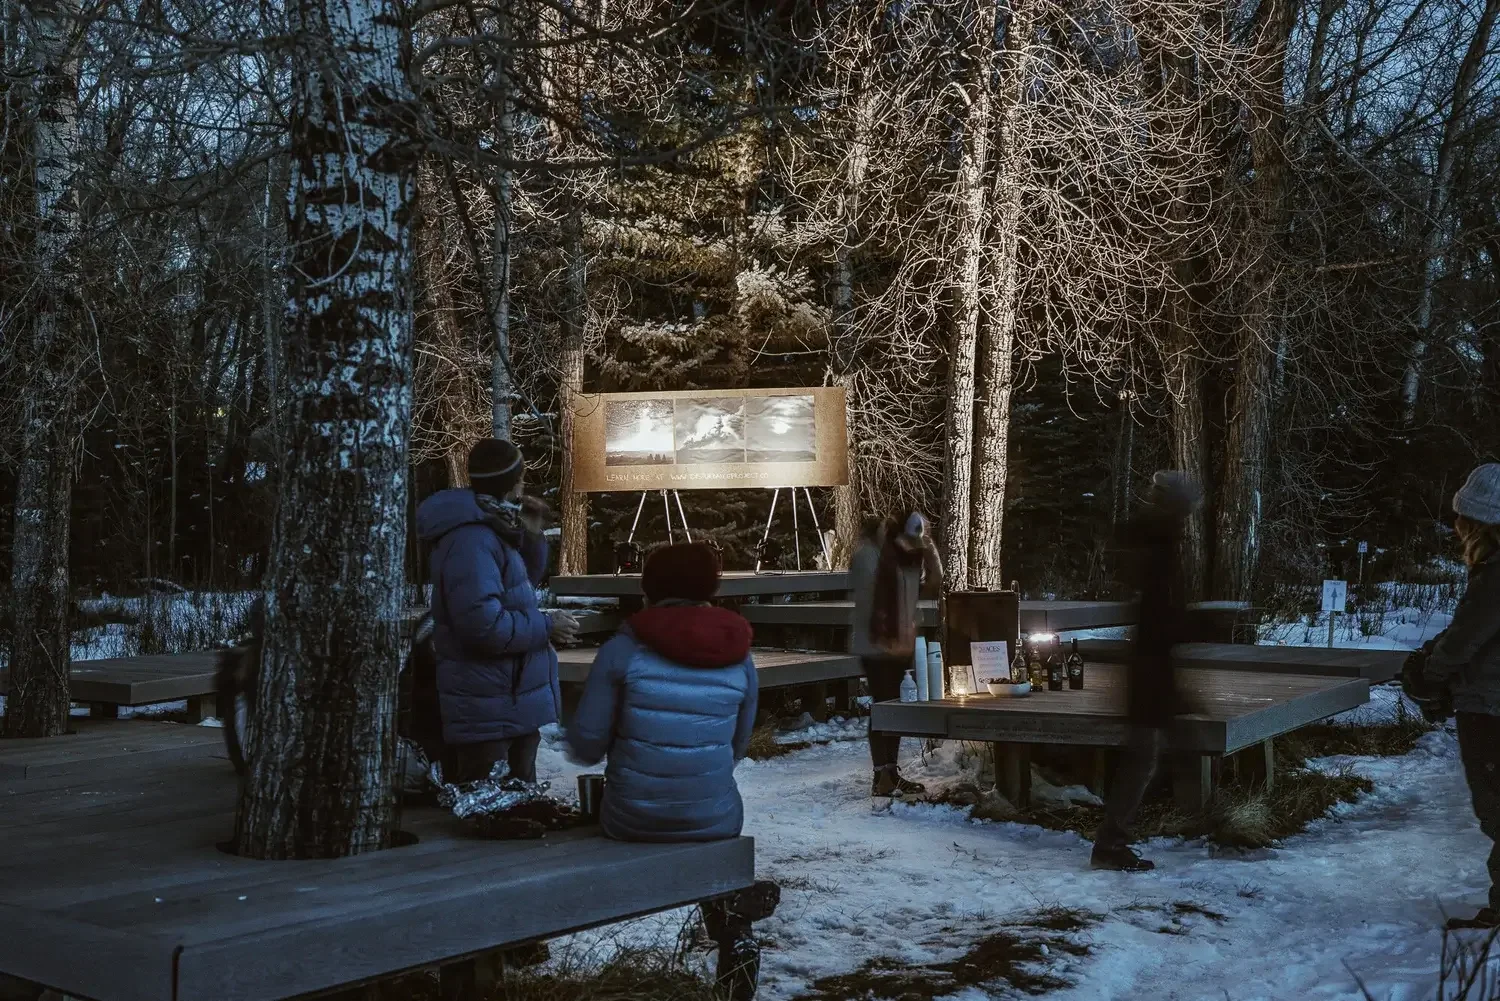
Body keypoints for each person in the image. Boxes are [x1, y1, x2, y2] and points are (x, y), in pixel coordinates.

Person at [564, 542, 776, 1001]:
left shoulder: (622, 650)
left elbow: (584, 745)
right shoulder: (739, 655)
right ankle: (731, 930)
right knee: (711, 826)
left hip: (631, 819)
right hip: (714, 818)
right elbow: (737, 747)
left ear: (648, 589)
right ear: (711, 589)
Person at [416, 438, 580, 785]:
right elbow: (482, 625)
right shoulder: (471, 540)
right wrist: (546, 626)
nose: (524, 483)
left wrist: (532, 536)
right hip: (486, 705)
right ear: (512, 481)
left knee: (517, 818)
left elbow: (517, 587)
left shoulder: (494, 524)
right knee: (489, 818)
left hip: (508, 699)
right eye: (520, 476)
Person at [1403, 463, 1500, 930]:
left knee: (1496, 806)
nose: (1456, 526)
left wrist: (1427, 674)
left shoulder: (1495, 577)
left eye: (1463, 518)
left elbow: (1466, 640)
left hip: (1490, 707)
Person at [1091, 470, 1200, 872]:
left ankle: (1115, 837)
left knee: (1150, 755)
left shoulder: (1157, 538)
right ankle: (1110, 842)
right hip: (1151, 666)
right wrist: (1186, 627)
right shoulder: (1160, 542)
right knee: (1144, 757)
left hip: (1153, 663)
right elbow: (1159, 611)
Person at [850, 510, 943, 797]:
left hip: (901, 643)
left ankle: (890, 771)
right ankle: (882, 776)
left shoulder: (908, 560)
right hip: (876, 645)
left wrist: (930, 552)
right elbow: (870, 596)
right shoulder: (870, 557)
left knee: (896, 708)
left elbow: (932, 585)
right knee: (883, 708)